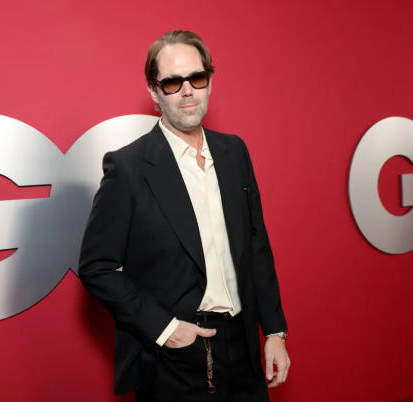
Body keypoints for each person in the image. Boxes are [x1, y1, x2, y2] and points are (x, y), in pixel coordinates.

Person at [79, 30, 289, 402]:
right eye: (173, 82)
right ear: (154, 91)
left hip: (244, 348)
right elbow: (97, 267)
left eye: (197, 78)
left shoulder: (234, 152)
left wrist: (274, 331)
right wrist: (165, 329)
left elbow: (257, 247)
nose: (187, 91)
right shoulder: (128, 168)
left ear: (210, 81)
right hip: (175, 359)